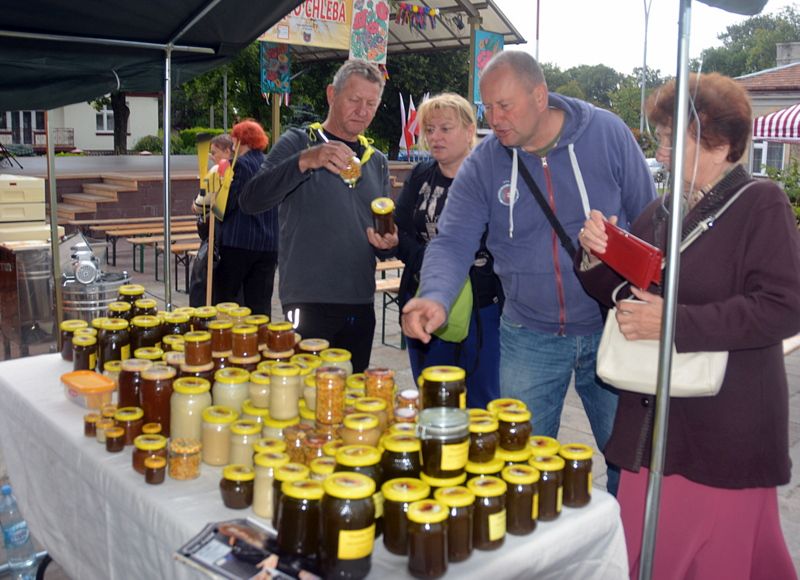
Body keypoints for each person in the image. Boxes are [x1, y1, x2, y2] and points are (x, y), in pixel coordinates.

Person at [576, 73, 800, 579]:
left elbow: (784, 307)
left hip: (726, 430)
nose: (660, 151)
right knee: (644, 554)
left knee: (718, 560)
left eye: (670, 138)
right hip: (654, 430)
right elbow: (624, 299)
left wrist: (674, 324)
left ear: (719, 143)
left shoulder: (761, 204)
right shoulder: (661, 211)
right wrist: (597, 256)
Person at [401, 51, 655, 493]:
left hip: (612, 327)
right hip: (527, 335)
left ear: (540, 96)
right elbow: (453, 238)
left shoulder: (607, 134)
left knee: (630, 465)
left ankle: (624, 552)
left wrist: (657, 296)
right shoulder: (485, 162)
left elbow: (652, 218)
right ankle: (536, 554)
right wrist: (435, 294)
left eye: (505, 106)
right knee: (519, 469)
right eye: (487, 108)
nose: (494, 120)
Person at [240, 60, 397, 372]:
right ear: (331, 95)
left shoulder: (376, 160)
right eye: (354, 100)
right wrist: (304, 161)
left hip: (360, 299)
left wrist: (388, 242)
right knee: (302, 394)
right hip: (307, 299)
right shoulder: (299, 142)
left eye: (371, 103)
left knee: (351, 398)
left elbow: (384, 235)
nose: (362, 110)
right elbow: (250, 200)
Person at [395, 93, 503, 408]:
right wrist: (428, 262)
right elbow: (400, 231)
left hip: (481, 308)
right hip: (424, 294)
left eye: (445, 128)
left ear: (470, 131)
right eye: (429, 130)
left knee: (481, 399)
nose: (435, 137)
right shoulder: (420, 175)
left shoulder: (490, 180)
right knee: (432, 393)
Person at [214, 119, 278, 317]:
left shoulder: (241, 165)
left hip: (240, 241)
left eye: (234, 138)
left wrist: (215, 208)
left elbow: (229, 202)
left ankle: (231, 341)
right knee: (260, 303)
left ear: (242, 140)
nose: (232, 143)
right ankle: (258, 343)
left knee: (227, 298)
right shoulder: (271, 163)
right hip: (269, 244)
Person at [189, 133, 232, 307]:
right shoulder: (240, 166)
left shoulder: (218, 170)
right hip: (236, 236)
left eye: (214, 152)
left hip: (217, 233)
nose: (212, 157)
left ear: (227, 150)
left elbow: (200, 204)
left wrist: (195, 205)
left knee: (203, 282)